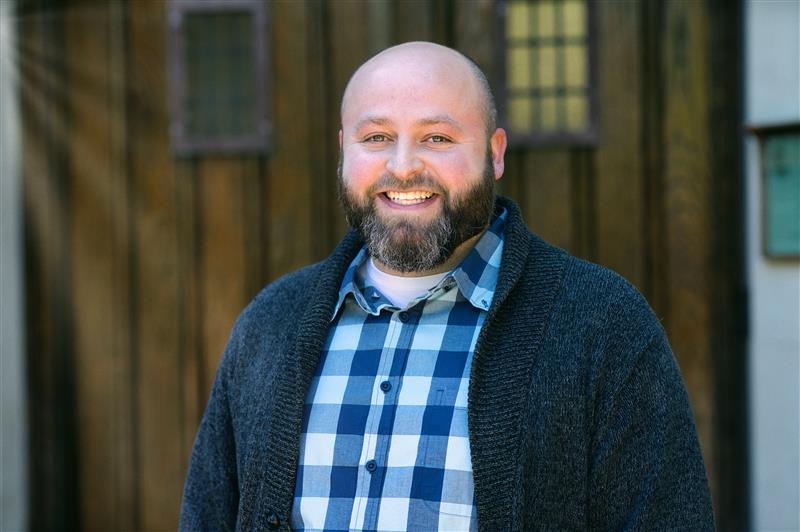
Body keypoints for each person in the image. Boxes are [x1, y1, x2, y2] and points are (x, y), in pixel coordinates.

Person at [180, 41, 714, 531]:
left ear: (495, 152)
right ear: (344, 151)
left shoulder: (606, 326)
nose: (404, 166)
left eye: (437, 137)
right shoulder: (270, 324)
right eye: (377, 138)